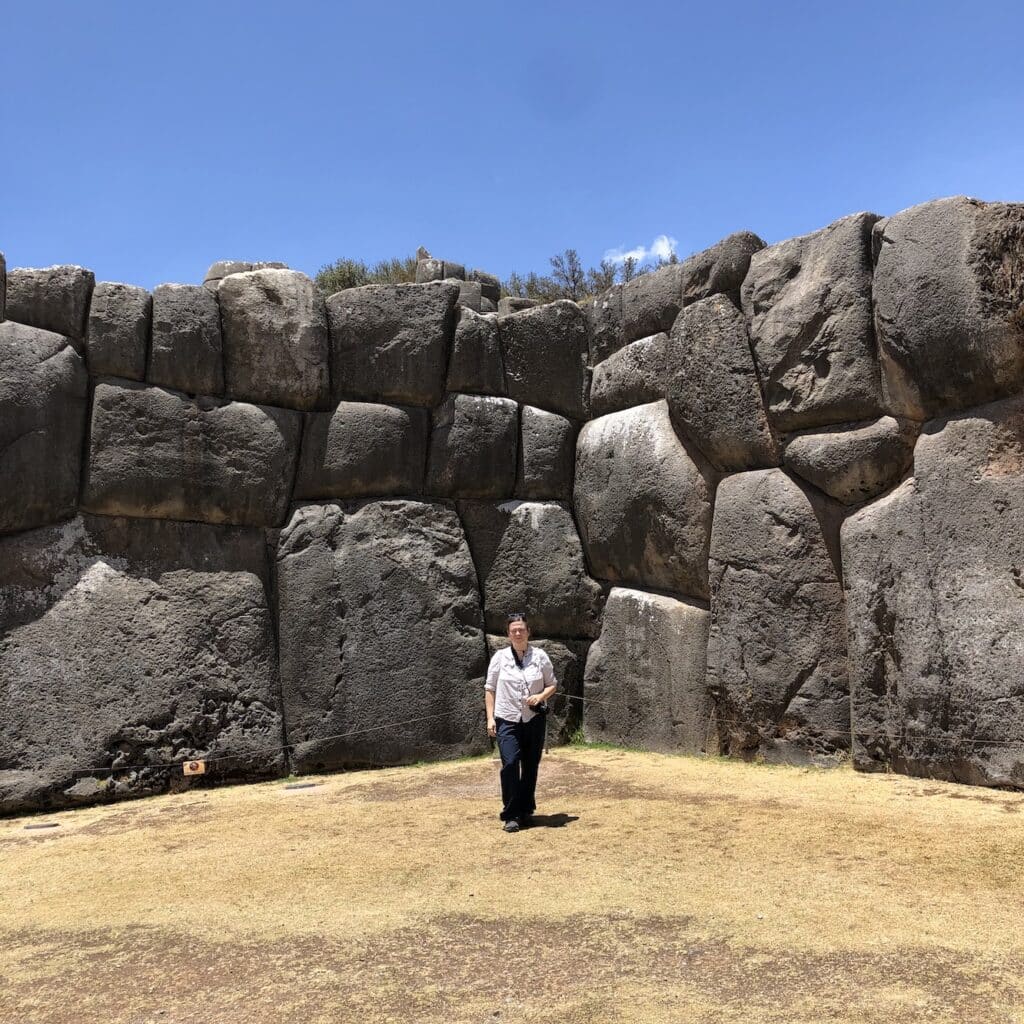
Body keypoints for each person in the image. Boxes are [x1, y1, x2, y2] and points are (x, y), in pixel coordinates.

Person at [484, 612, 558, 833]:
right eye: (513, 630)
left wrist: (540, 697)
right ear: (508, 634)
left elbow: (552, 684)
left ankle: (526, 809)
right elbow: (490, 688)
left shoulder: (540, 656)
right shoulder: (499, 658)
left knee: (530, 765)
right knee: (510, 763)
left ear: (528, 632)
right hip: (506, 717)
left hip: (533, 719)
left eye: (521, 629)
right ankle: (511, 813)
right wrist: (490, 718)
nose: (518, 633)